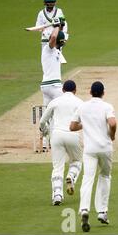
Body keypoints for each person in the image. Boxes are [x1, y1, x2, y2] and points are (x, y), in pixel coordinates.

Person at [70, 81, 117, 232]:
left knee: (87, 179)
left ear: (90, 92)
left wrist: (86, 124)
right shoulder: (106, 106)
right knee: (105, 176)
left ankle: (84, 209)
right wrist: (112, 135)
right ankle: (102, 212)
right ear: (103, 93)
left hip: (89, 149)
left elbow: (72, 127)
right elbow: (113, 122)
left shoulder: (82, 106)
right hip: (105, 148)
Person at [39, 80, 83, 206]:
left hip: (57, 135)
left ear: (63, 90)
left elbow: (42, 122)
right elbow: (86, 121)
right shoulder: (80, 102)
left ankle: (57, 195)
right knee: (76, 161)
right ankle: (71, 176)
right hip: (73, 135)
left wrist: (46, 132)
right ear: (75, 90)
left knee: (57, 167)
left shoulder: (55, 101)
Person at [39, 18, 67, 151]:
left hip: (46, 87)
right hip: (55, 87)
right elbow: (53, 37)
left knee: (47, 113)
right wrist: (56, 25)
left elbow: (57, 37)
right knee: (60, 112)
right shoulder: (48, 49)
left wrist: (60, 26)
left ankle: (45, 141)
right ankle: (57, 140)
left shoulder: (57, 51)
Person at [36, 0, 68, 64]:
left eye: (52, 3)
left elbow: (64, 24)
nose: (50, 5)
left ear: (55, 3)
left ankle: (57, 74)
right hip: (45, 39)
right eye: (49, 3)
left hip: (57, 39)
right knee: (45, 60)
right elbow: (38, 26)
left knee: (56, 60)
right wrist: (43, 28)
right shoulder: (41, 13)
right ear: (45, 3)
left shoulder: (59, 11)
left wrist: (64, 36)